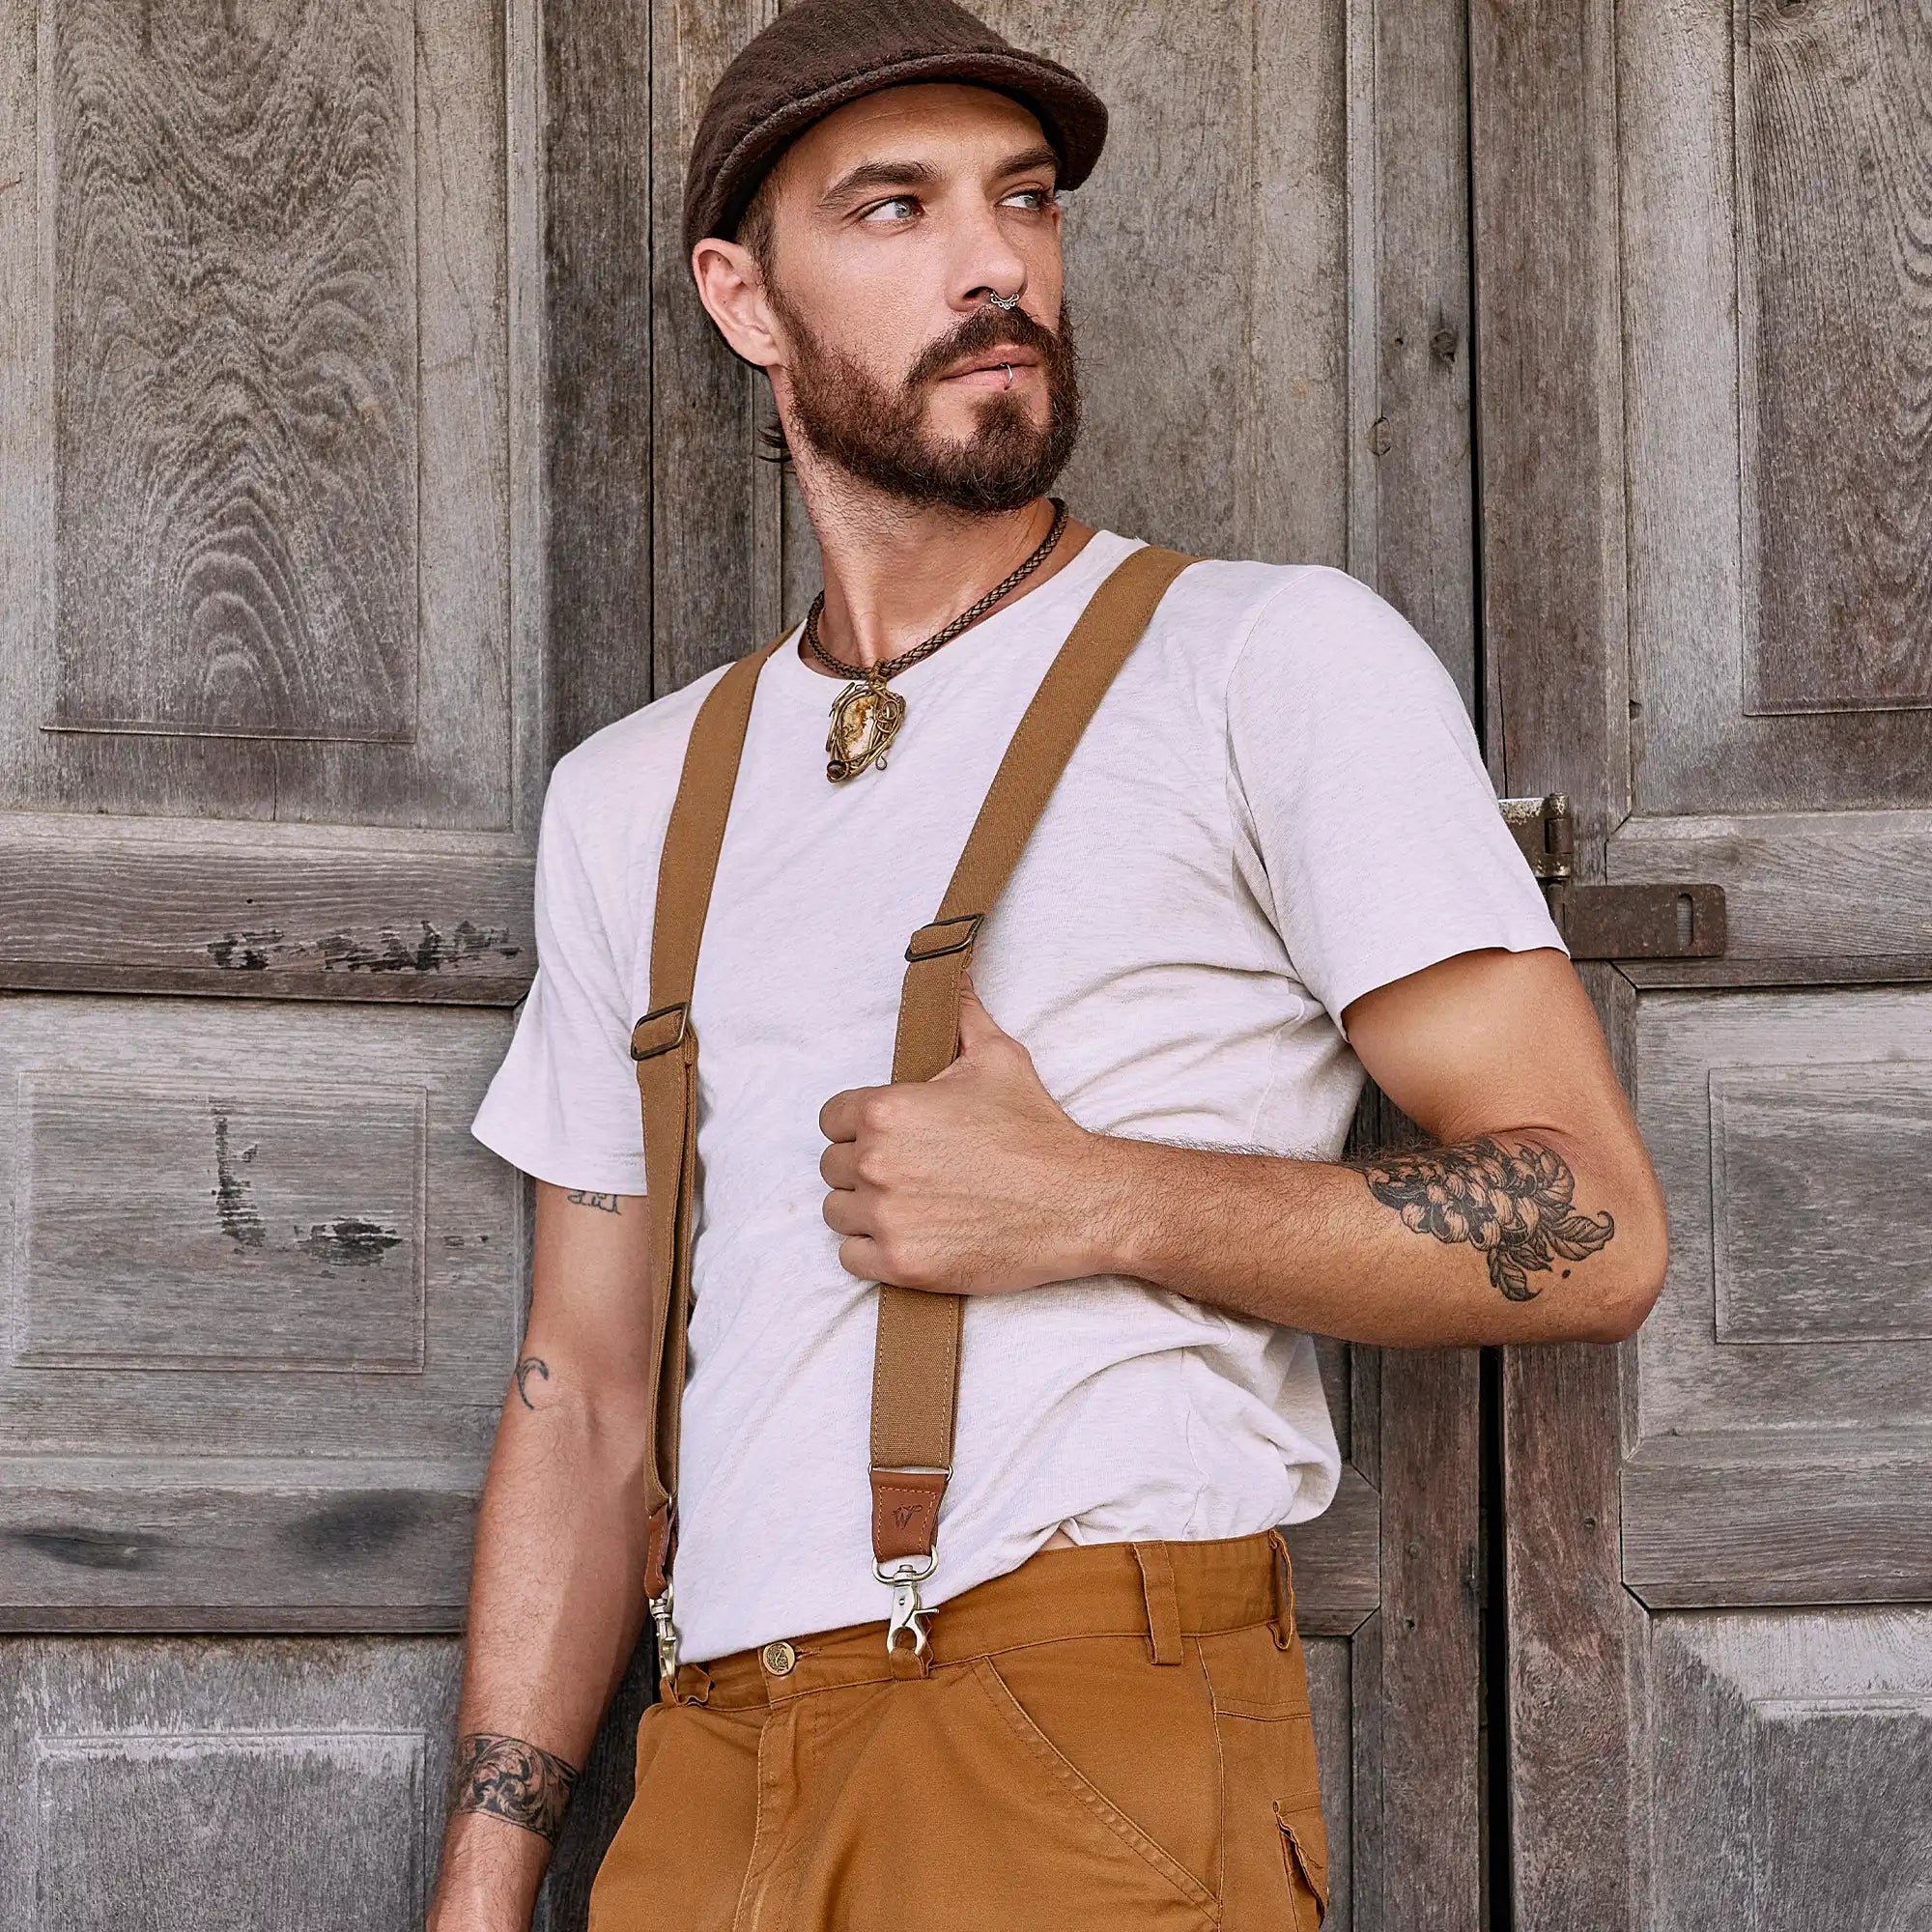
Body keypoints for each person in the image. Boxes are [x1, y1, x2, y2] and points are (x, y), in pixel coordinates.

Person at [424, 2, 1668, 1927]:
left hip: (1068, 1730)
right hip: (705, 1773)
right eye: (896, 208)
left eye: (1021, 203)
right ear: (742, 299)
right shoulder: (631, 798)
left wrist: (1092, 1198)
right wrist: (487, 1886)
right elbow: (578, 1398)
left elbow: (1592, 1228)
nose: (993, 260)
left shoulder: (1267, 664)